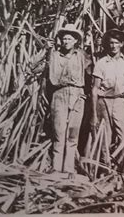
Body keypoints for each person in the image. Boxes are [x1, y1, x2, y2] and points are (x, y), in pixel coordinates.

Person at [31, 24, 91, 176]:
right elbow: (33, 67)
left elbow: (93, 72)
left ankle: (69, 168)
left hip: (77, 95)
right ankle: (57, 167)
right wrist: (45, 49)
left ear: (76, 41)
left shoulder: (82, 56)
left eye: (69, 39)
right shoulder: (54, 55)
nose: (66, 41)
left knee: (73, 134)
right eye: (64, 38)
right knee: (59, 133)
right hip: (59, 94)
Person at [91, 28, 124, 172]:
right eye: (111, 43)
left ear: (122, 44)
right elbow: (95, 89)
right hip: (104, 102)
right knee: (105, 136)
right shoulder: (101, 63)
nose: (113, 46)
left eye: (116, 43)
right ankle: (104, 169)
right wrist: (94, 113)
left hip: (121, 101)